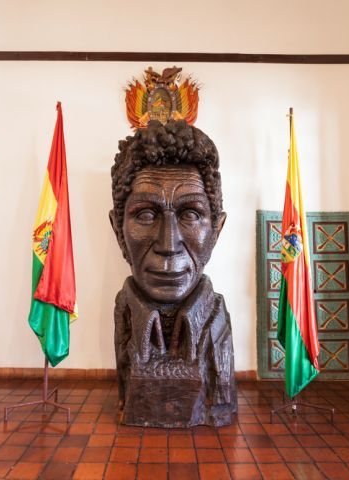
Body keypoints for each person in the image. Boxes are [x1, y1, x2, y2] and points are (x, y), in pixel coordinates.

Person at [109, 120, 236, 427]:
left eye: (190, 214)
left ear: (216, 231)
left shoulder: (217, 321)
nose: (169, 244)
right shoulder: (124, 315)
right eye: (146, 214)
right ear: (118, 231)